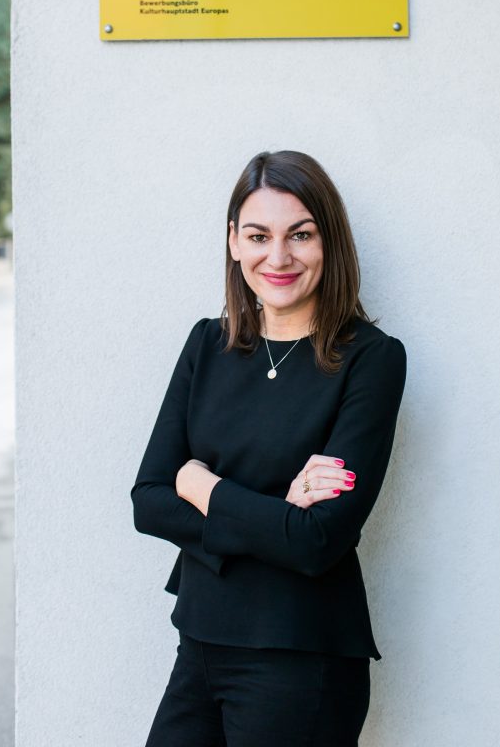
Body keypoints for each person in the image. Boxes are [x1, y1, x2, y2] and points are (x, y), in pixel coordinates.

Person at [130, 149, 407, 747]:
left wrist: (203, 487)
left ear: (329, 242)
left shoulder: (371, 360)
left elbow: (317, 541)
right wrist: (277, 514)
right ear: (234, 242)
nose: (277, 257)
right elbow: (148, 502)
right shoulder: (207, 345)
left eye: (300, 235)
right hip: (198, 642)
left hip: (301, 656)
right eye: (258, 236)